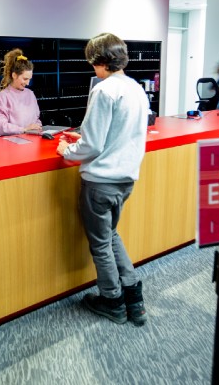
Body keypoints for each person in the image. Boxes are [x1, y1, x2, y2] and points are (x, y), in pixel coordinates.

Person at [56, 33, 149, 327]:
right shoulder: (135, 89)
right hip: (125, 179)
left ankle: (112, 301)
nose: (91, 68)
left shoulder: (104, 89)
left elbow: (93, 146)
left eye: (92, 62)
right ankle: (133, 294)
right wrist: (85, 137)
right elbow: (118, 133)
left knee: (99, 244)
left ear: (100, 61)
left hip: (100, 182)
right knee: (111, 235)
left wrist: (67, 150)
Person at [0, 48, 42, 136]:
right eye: (25, 79)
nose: (28, 83)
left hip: (32, 140)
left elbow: (36, 119)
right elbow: (0, 126)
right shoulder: (3, 96)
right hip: (10, 143)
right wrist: (23, 130)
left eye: (29, 79)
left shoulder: (30, 94)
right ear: (14, 75)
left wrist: (38, 127)